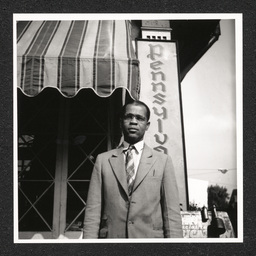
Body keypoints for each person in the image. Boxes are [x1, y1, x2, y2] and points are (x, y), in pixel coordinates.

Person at [83, 100, 183, 238]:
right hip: (112, 244)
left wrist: (176, 250)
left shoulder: (162, 161)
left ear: (147, 125)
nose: (133, 122)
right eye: (128, 116)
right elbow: (93, 211)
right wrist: (88, 249)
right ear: (120, 122)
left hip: (151, 245)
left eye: (140, 118)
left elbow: (171, 213)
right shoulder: (103, 161)